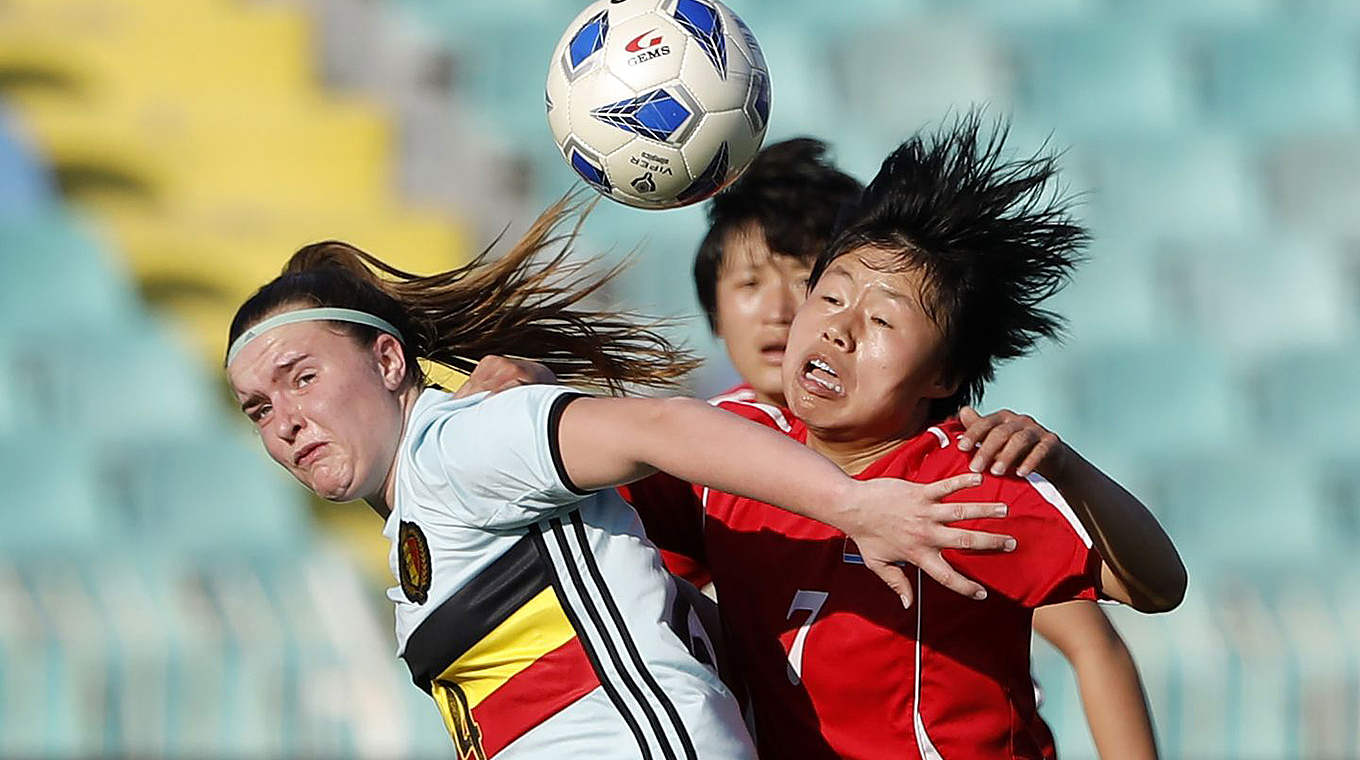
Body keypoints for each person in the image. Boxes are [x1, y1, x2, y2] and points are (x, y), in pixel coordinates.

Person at [222, 196, 1022, 759]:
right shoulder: (427, 497)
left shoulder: (460, 445)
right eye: (258, 407)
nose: (284, 419)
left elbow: (663, 427)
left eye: (302, 378)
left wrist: (855, 506)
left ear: (389, 360)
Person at [635, 114, 1185, 759]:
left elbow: (1154, 589)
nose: (831, 328)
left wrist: (1068, 467)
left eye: (882, 320)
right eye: (831, 298)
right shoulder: (722, 449)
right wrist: (533, 395)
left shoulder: (961, 481)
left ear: (944, 373)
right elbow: (583, 503)